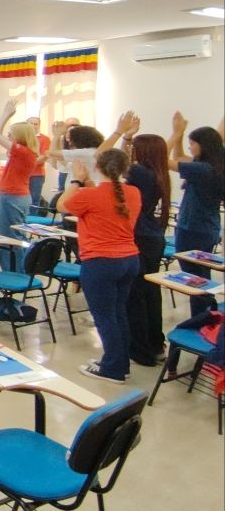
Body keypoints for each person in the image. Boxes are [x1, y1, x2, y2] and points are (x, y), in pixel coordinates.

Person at [59, 149, 140, 384]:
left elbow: (62, 205)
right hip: (129, 260)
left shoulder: (90, 195)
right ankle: (120, 363)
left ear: (97, 166)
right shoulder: (133, 192)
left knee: (104, 317)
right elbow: (105, 198)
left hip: (101, 262)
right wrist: (87, 183)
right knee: (118, 312)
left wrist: (76, 181)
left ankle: (113, 368)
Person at [100, 113, 169, 366]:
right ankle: (155, 343)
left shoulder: (140, 172)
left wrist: (122, 135)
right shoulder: (157, 172)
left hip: (139, 236)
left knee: (135, 295)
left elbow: (106, 159)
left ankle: (140, 349)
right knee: (150, 292)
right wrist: (128, 139)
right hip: (152, 235)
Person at [168, 114, 225, 317]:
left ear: (204, 146)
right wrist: (181, 134)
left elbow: (164, 161)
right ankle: (208, 314)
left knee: (194, 279)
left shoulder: (203, 169)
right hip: (204, 228)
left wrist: (175, 134)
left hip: (194, 229)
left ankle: (203, 318)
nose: (190, 147)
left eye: (192, 143)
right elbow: (179, 157)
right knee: (199, 276)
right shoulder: (211, 165)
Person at [0, 98, 38, 273]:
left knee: (8, 238)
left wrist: (6, 114)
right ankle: (16, 272)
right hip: (15, 196)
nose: (8, 137)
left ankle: (14, 274)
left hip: (13, 197)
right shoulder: (23, 152)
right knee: (13, 237)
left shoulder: (23, 152)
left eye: (11, 134)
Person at [27, 116, 51, 210]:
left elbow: (44, 156)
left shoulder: (45, 139)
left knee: (34, 201)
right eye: (31, 123)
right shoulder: (21, 137)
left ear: (39, 125)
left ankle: (31, 219)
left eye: (36, 124)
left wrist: (25, 163)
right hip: (21, 174)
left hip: (36, 174)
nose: (33, 126)